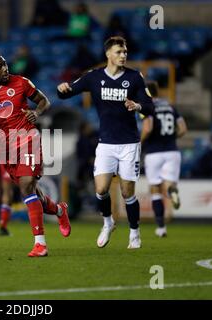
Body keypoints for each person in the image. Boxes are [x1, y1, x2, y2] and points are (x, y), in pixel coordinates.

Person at [57, 36, 155, 249]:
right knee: (101, 189)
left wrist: (138, 106)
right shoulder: (94, 77)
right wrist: (62, 88)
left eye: (125, 52)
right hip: (106, 143)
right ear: (108, 54)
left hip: (129, 143)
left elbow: (150, 106)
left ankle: (134, 233)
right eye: (119, 52)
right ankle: (108, 223)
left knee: (127, 192)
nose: (123, 55)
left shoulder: (135, 77)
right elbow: (67, 92)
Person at [0, 52, 71, 257]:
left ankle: (40, 244)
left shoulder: (21, 82)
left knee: (26, 185)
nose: (5, 69)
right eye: (0, 66)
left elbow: (44, 101)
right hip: (4, 148)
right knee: (31, 192)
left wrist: (37, 112)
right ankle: (60, 210)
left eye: (6, 65)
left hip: (28, 139)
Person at [141, 81, 188, 238]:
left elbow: (147, 128)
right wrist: (172, 137)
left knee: (155, 190)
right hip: (172, 151)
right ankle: (171, 191)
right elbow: (183, 129)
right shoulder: (170, 106)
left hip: (154, 152)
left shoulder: (147, 107)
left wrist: (139, 143)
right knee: (168, 185)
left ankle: (161, 227)